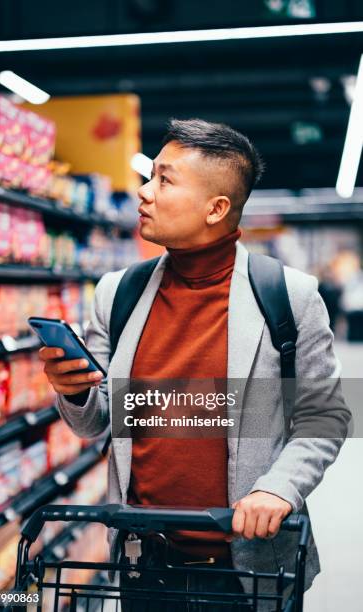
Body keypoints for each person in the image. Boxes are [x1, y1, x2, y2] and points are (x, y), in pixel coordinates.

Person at [39, 119, 351, 610]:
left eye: (164, 179)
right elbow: (96, 420)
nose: (144, 192)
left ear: (216, 208)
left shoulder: (288, 296)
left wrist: (279, 488)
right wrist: (75, 391)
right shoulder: (117, 294)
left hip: (246, 568)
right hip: (144, 561)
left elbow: (326, 415)